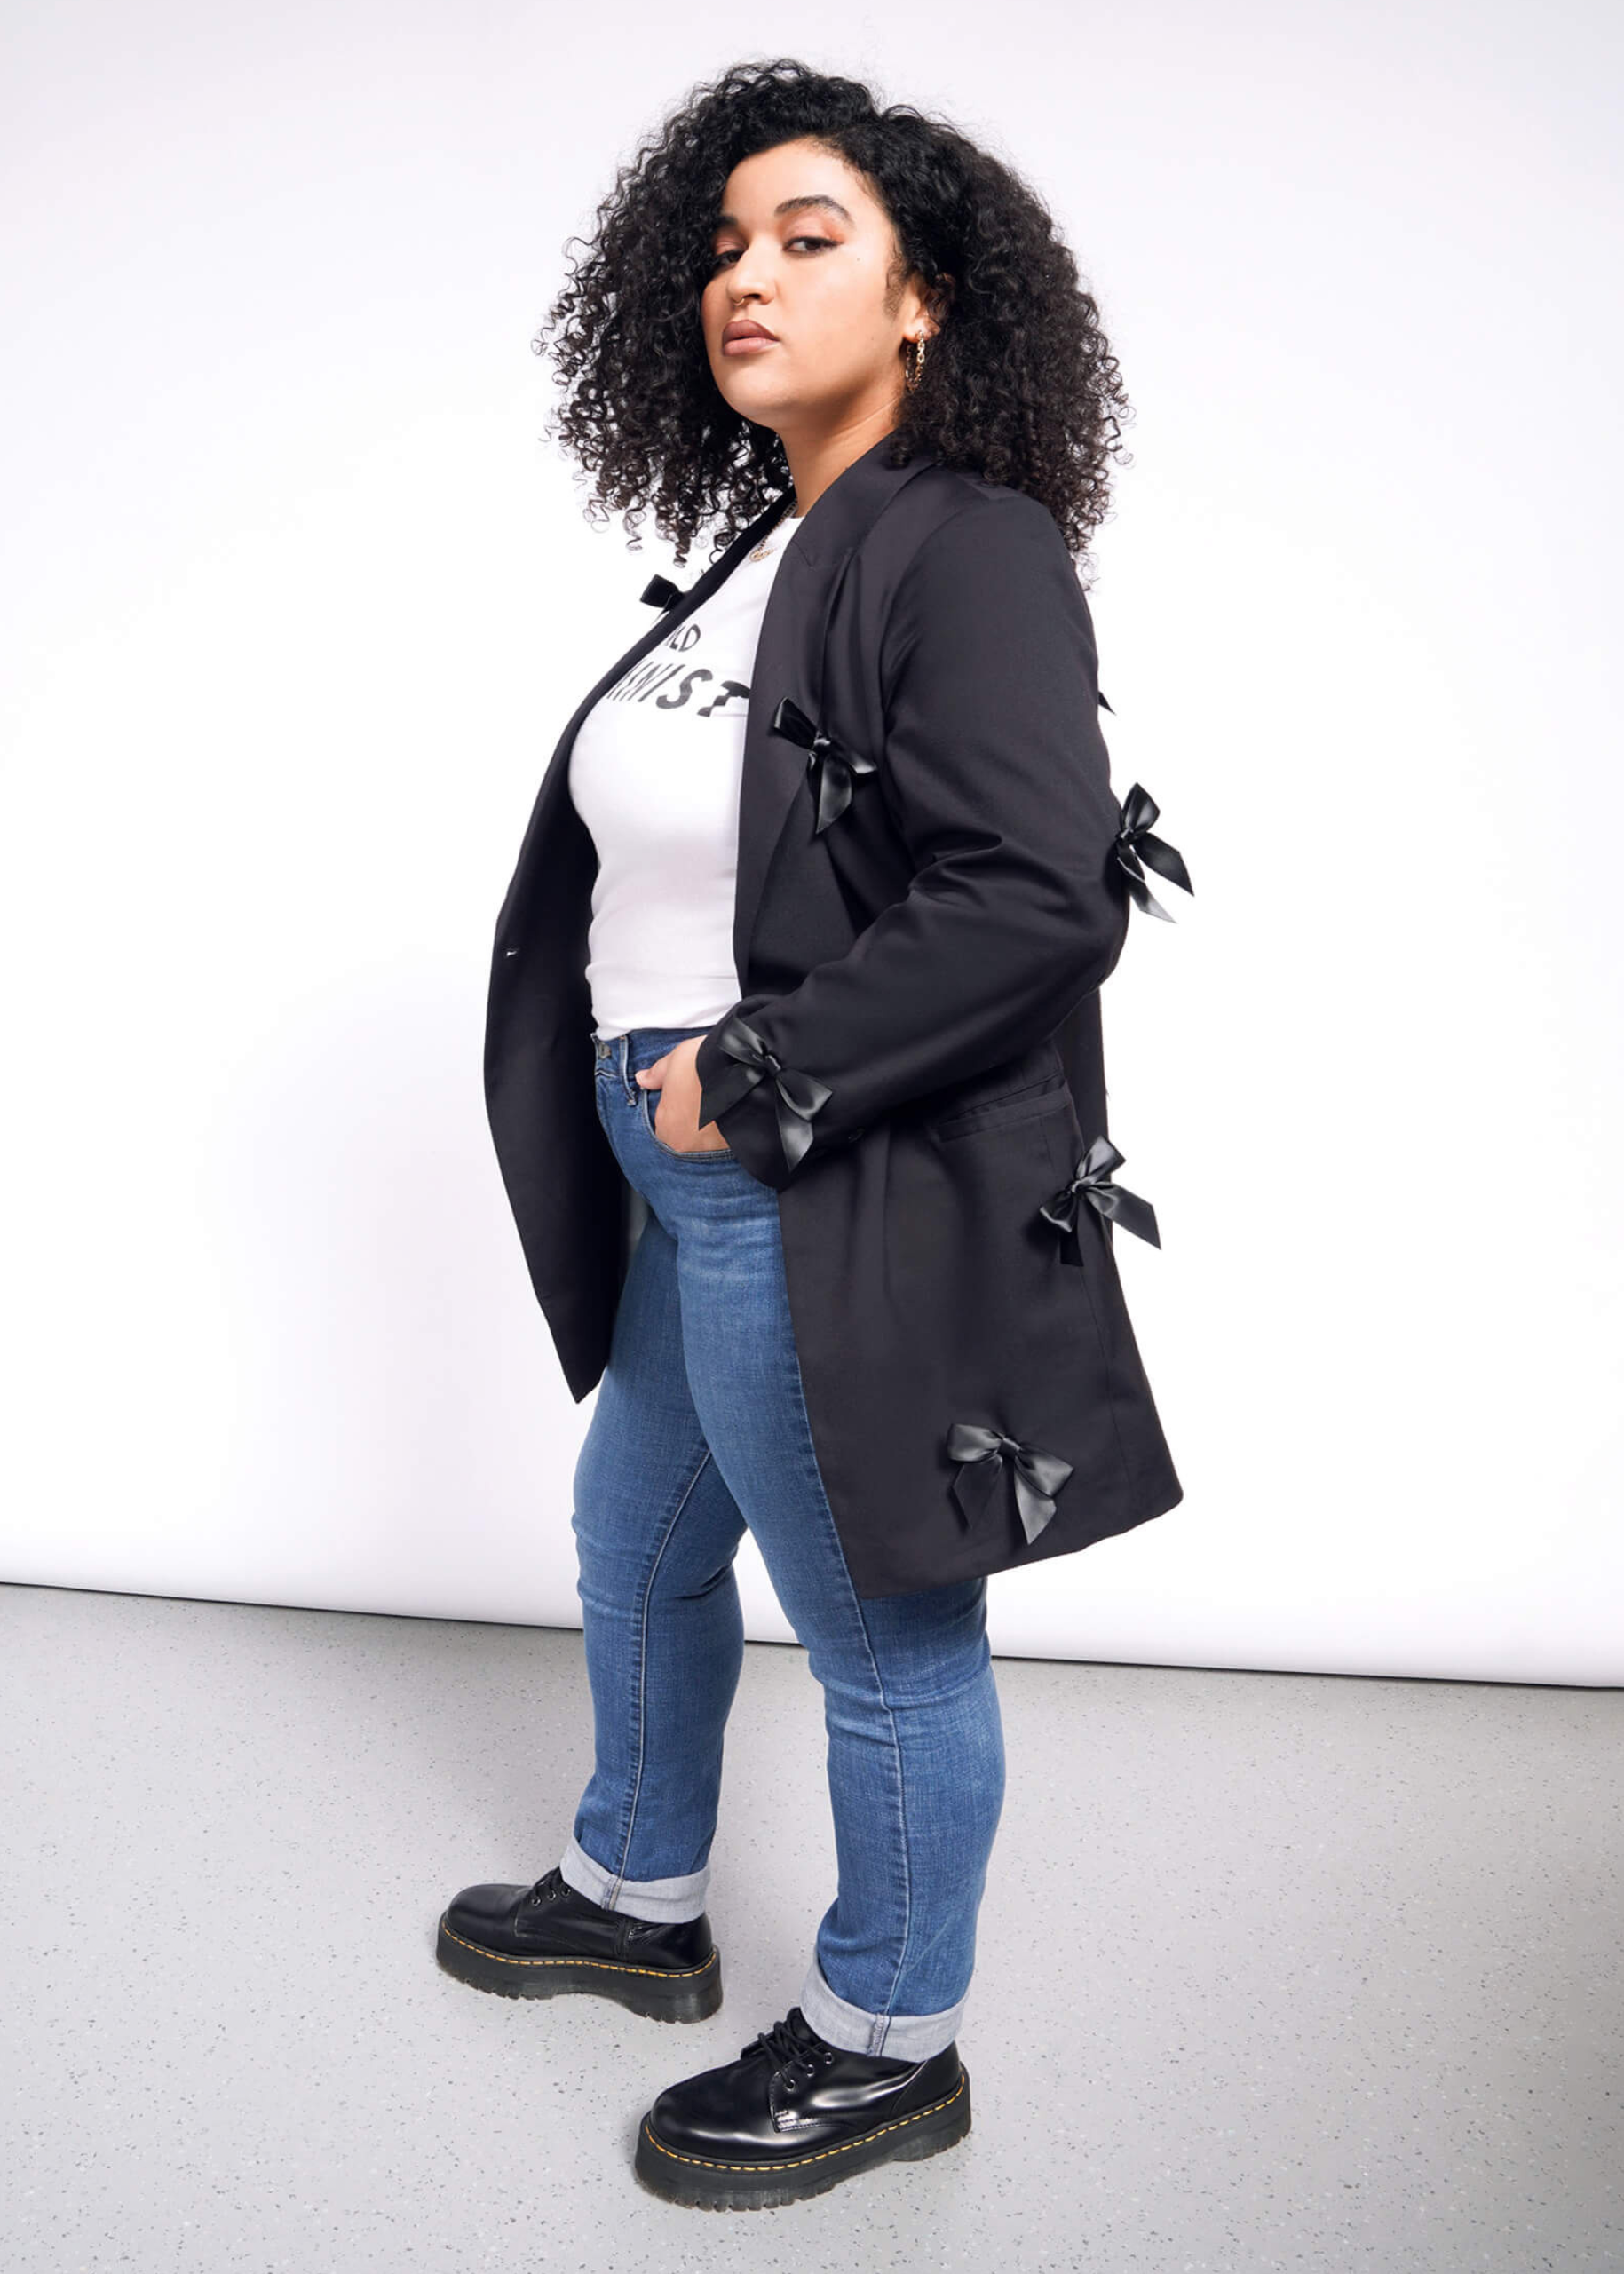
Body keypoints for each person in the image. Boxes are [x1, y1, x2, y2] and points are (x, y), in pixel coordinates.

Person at [438, 59, 1189, 2211]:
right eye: (722, 245)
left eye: (807, 236)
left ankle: (886, 2034)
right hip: (677, 1157)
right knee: (640, 1533)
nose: (742, 277)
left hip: (797, 1161)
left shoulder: (965, 543)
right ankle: (637, 1881)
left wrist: (754, 1076)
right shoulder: (771, 546)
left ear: (927, 297)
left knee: (878, 1626)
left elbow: (1039, 886)